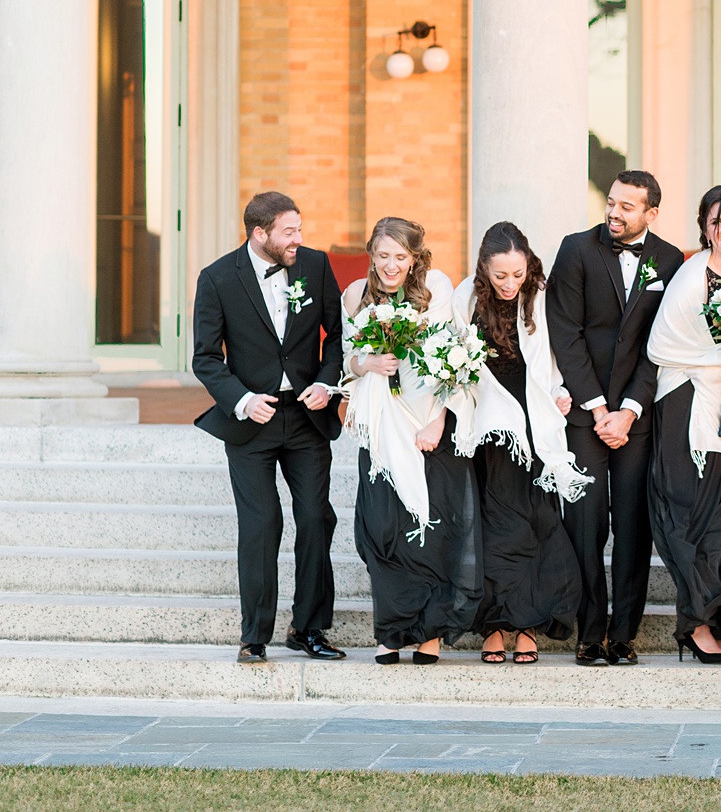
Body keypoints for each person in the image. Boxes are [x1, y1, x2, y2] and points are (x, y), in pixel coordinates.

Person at [192, 192, 345, 664]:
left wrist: (326, 383)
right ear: (260, 234)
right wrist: (241, 399)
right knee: (262, 524)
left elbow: (339, 336)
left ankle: (309, 629)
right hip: (251, 422)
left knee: (317, 518)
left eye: (300, 229)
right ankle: (254, 635)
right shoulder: (217, 278)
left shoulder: (316, 267)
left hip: (305, 415)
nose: (299, 239)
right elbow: (204, 358)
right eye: (289, 232)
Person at [547, 170, 685, 666]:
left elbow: (661, 344)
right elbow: (565, 333)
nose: (614, 212)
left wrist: (628, 410)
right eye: (611, 202)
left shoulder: (670, 260)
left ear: (650, 213)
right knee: (585, 524)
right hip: (586, 415)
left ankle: (623, 634)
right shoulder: (576, 249)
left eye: (628, 207)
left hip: (637, 418)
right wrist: (599, 407)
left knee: (632, 525)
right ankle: (590, 630)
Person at [451, 222, 590, 666]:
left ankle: (526, 622)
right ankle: (495, 623)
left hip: (534, 420)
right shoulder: (464, 299)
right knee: (494, 526)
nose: (510, 284)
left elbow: (557, 351)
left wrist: (561, 387)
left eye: (517, 274)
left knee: (536, 520)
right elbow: (451, 361)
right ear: (484, 271)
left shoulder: (541, 294)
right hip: (490, 426)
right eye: (500, 276)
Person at [342, 217, 478, 665]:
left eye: (400, 257)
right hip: (382, 429)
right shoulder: (355, 296)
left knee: (436, 528)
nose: (390, 265)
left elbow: (454, 357)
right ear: (372, 255)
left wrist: (438, 421)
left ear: (415, 258)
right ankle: (391, 629)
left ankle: (430, 633)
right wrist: (368, 362)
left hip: (428, 423)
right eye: (382, 256)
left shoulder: (436, 288)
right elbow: (347, 361)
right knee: (383, 528)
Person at [645, 186, 721, 664]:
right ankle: (695, 626)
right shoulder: (693, 274)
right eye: (717, 222)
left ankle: (719, 614)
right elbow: (661, 347)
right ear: (705, 229)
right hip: (686, 405)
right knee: (690, 514)